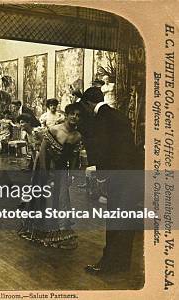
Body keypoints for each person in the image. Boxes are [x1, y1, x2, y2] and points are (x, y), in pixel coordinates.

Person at [79, 87, 142, 275]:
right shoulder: (119, 115)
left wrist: (101, 175)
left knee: (115, 220)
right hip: (133, 174)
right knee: (125, 220)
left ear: (88, 104)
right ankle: (122, 264)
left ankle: (108, 266)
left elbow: (100, 150)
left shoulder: (99, 120)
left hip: (118, 177)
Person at [18, 103, 83, 249]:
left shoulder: (77, 136)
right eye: (73, 114)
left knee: (61, 198)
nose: (75, 117)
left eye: (78, 115)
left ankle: (59, 229)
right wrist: (44, 172)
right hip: (46, 167)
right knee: (45, 197)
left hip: (60, 170)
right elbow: (42, 151)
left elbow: (74, 157)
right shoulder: (54, 129)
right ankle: (43, 228)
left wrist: (70, 175)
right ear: (67, 115)